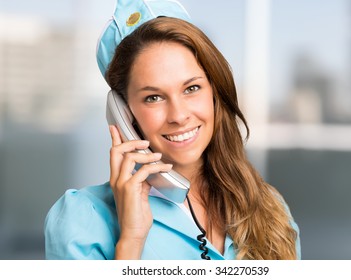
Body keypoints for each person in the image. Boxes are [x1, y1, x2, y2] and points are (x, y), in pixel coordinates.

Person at [44, 0, 301, 260]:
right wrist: (131, 239)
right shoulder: (81, 218)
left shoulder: (270, 208)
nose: (178, 116)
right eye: (153, 97)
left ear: (214, 91)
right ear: (124, 113)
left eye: (191, 88)